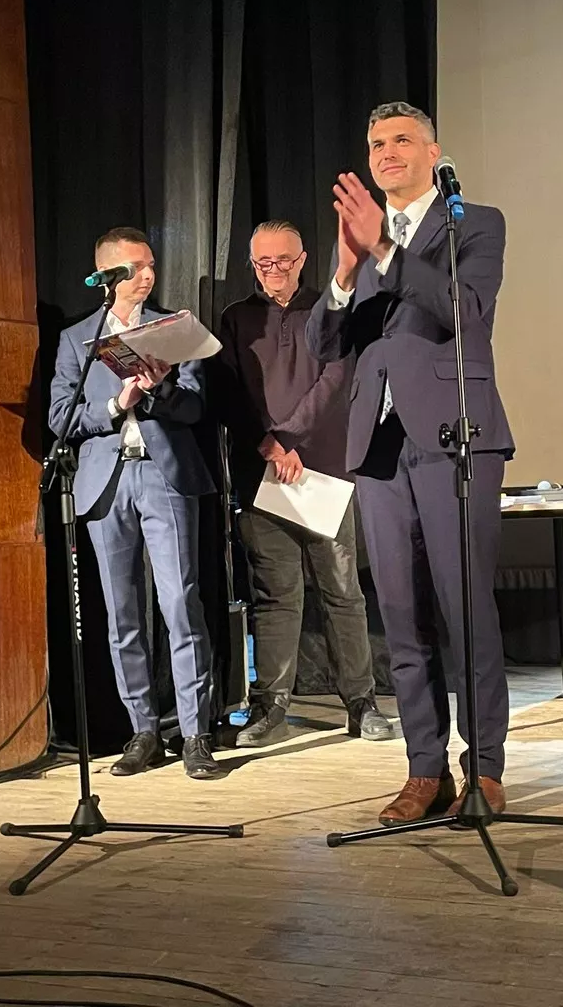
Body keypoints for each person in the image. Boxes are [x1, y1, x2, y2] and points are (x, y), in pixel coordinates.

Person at [305, 102, 515, 825]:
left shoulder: (473, 223)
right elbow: (324, 345)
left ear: (433, 152)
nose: (386, 152)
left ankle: (484, 768)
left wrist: (387, 253)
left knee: (465, 609)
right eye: (376, 144)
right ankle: (425, 769)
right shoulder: (362, 240)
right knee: (401, 617)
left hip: (457, 436)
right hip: (380, 447)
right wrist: (344, 271)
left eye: (401, 140)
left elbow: (466, 311)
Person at [49, 227, 224, 780]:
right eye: (135, 268)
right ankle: (143, 730)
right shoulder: (77, 338)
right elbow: (60, 418)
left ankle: (195, 734)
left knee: (180, 604)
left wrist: (157, 390)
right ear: (107, 275)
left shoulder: (173, 329)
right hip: (106, 482)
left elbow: (195, 408)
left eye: (151, 265)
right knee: (122, 615)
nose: (147, 276)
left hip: (163, 475)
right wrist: (115, 402)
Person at [217, 220, 394, 747]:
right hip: (261, 474)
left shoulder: (329, 310)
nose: (273, 270)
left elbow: (337, 380)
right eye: (262, 262)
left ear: (302, 259)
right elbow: (227, 390)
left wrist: (289, 438)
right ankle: (271, 707)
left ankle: (360, 702)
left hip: (324, 474)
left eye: (283, 260)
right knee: (275, 595)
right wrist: (268, 445)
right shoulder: (235, 318)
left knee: (342, 591)